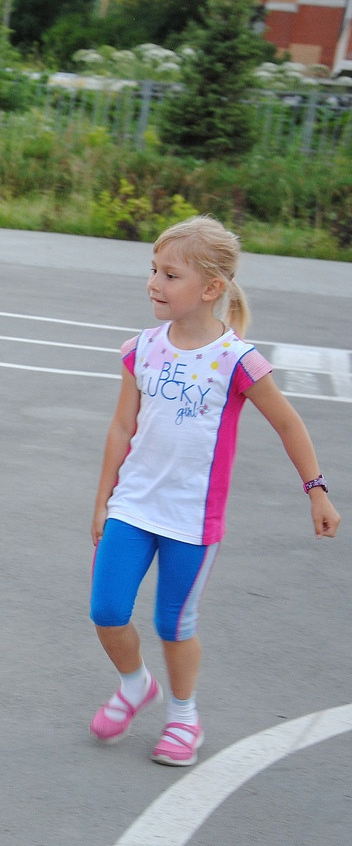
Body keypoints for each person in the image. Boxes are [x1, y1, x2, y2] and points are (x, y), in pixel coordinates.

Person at [88, 215, 340, 766]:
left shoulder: (237, 360)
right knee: (107, 610)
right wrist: (103, 500)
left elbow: (289, 424)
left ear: (211, 289)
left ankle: (184, 717)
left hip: (191, 519)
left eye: (170, 275)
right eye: (153, 270)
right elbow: (121, 428)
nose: (154, 282)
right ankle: (135, 685)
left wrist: (316, 489)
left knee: (174, 624)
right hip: (133, 507)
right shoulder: (140, 350)